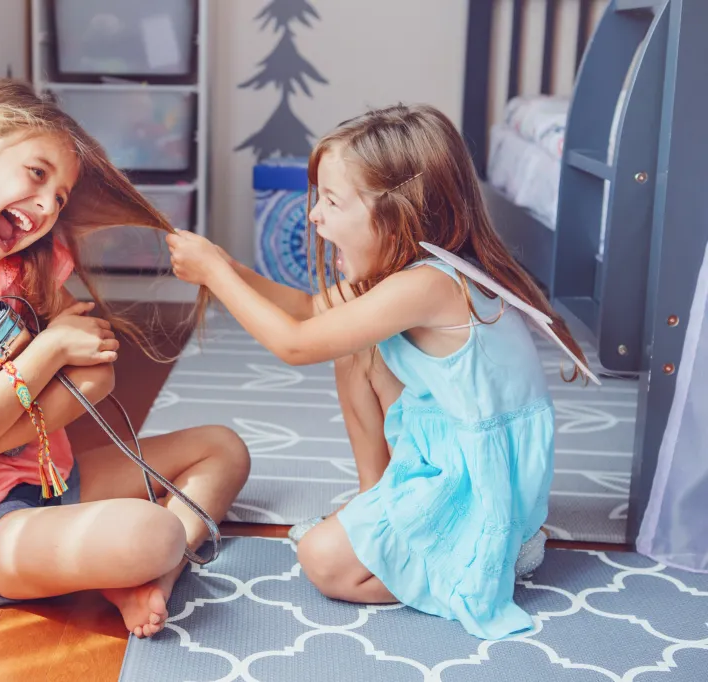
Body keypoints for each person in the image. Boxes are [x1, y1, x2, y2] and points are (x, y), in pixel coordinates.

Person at [0, 79, 249, 639]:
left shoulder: (29, 264)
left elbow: (96, 369)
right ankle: (134, 563)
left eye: (59, 197)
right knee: (154, 534)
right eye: (37, 174)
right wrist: (50, 346)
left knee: (222, 449)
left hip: (44, 478)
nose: (46, 206)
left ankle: (151, 578)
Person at [166, 104, 591, 640]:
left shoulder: (430, 285)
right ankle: (381, 500)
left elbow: (295, 345)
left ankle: (484, 552)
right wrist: (224, 268)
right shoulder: (411, 271)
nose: (315, 216)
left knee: (323, 561)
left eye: (332, 201)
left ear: (398, 213)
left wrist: (214, 276)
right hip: (448, 446)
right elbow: (305, 308)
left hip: (480, 484)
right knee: (356, 348)